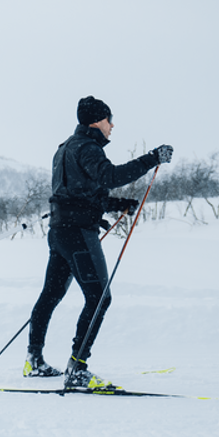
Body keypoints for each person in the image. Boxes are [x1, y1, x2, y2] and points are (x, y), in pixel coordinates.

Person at [23, 96, 173, 390]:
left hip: (60, 232)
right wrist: (152, 158)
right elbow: (111, 175)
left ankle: (34, 361)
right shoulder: (88, 148)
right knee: (99, 297)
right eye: (108, 120)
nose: (112, 126)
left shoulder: (65, 148)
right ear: (96, 121)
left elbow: (79, 192)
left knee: (50, 295)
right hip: (78, 233)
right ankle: (77, 369)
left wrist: (113, 204)